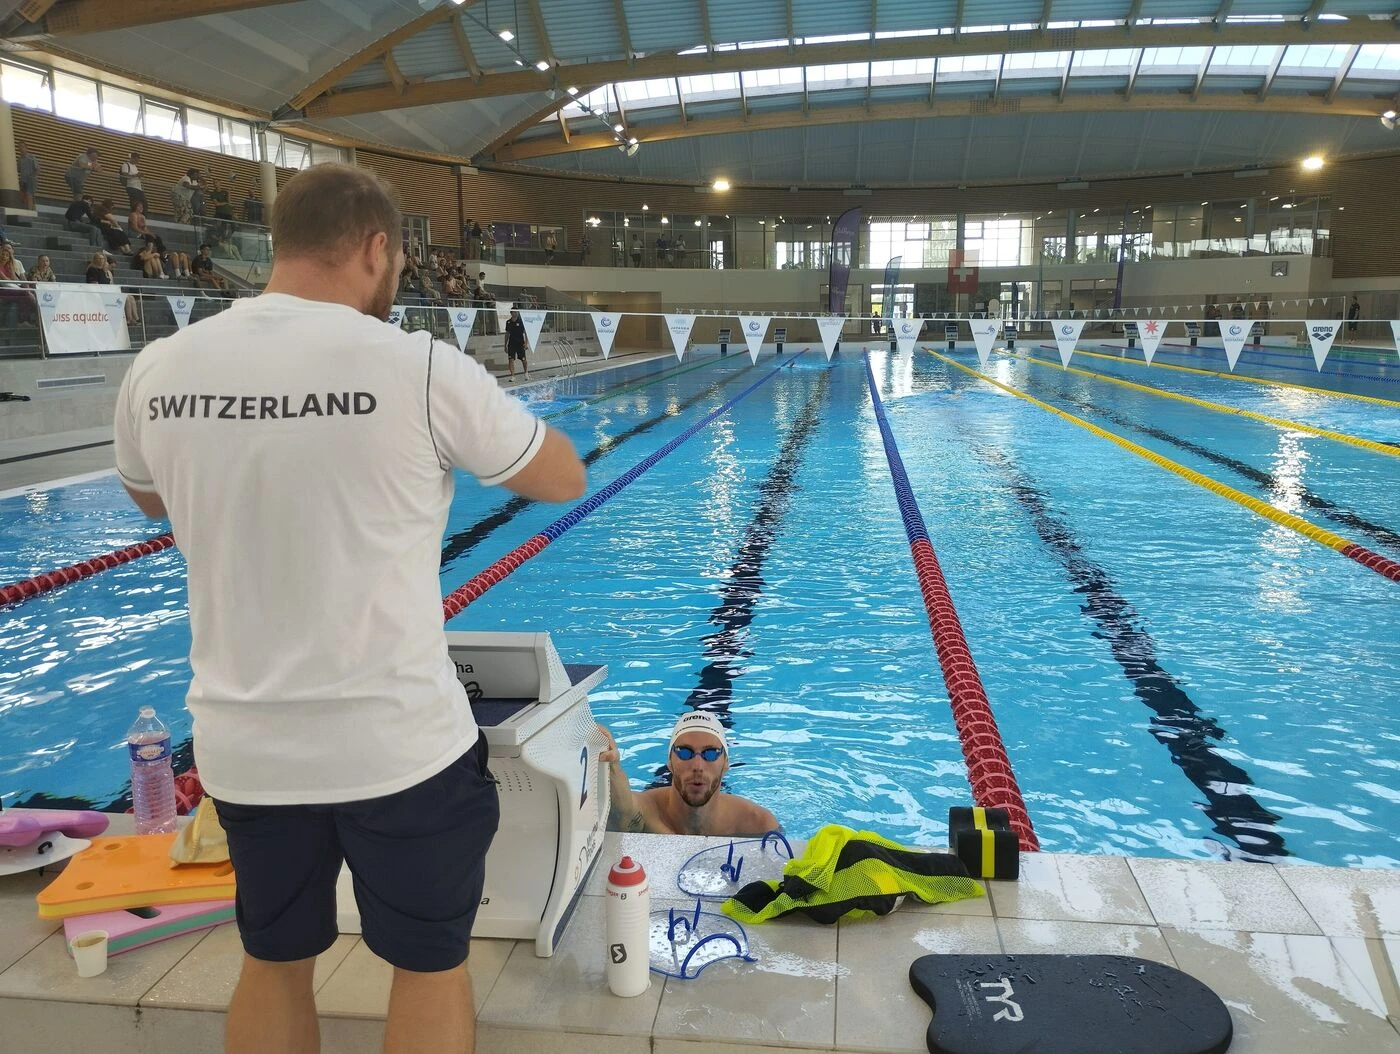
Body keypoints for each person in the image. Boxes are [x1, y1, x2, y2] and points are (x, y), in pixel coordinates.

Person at [111, 162, 585, 1054]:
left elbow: (150, 500)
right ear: (377, 249)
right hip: (399, 745)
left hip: (246, 748)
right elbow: (562, 477)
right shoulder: (416, 366)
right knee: (430, 965)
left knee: (273, 961)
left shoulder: (161, 366)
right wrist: (483, 417)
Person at [598, 712, 780, 837]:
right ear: (669, 762)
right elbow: (621, 813)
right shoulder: (648, 812)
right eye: (685, 752)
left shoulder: (758, 823)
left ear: (726, 764)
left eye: (711, 753)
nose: (698, 766)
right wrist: (610, 765)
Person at [504, 307, 527, 380]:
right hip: (511, 343)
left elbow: (526, 333)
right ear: (511, 313)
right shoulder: (508, 322)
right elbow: (507, 334)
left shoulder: (521, 321)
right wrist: (505, 345)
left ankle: (526, 373)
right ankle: (513, 376)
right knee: (511, 360)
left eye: (517, 312)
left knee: (523, 360)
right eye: (514, 312)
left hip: (520, 343)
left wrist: (526, 343)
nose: (516, 313)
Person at [17, 144, 38, 211]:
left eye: (23, 147)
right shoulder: (19, 159)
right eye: (19, 147)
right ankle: (29, 209)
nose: (21, 148)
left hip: (30, 179)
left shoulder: (31, 157)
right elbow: (18, 170)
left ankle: (30, 212)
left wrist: (33, 178)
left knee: (29, 195)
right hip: (22, 180)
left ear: (26, 148)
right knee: (22, 195)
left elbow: (37, 168)